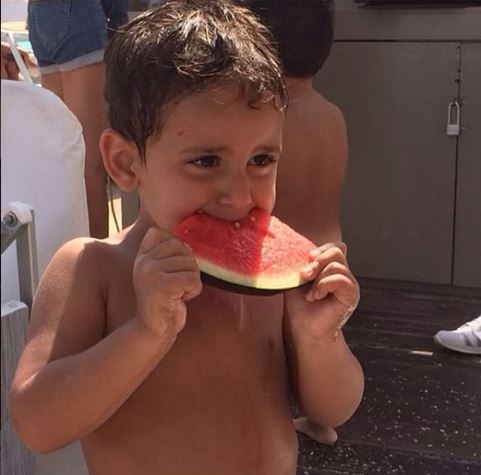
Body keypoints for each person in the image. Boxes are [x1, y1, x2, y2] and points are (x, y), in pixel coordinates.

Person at [10, 2, 364, 474]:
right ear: (126, 163)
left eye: (261, 160)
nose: (239, 195)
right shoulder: (93, 268)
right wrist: (144, 334)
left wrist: (320, 337)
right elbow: (37, 423)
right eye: (205, 161)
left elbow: (333, 409)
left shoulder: (272, 286)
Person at [245, 0, 347, 445]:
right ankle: (322, 421)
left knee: (272, 360)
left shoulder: (268, 118)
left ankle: (268, 416)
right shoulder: (332, 114)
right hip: (330, 252)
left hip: (279, 268)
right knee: (319, 349)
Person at [27, 0, 128, 238]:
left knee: (62, 162)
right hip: (77, 13)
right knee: (88, 167)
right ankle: (95, 257)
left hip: (39, 13)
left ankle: (67, 253)